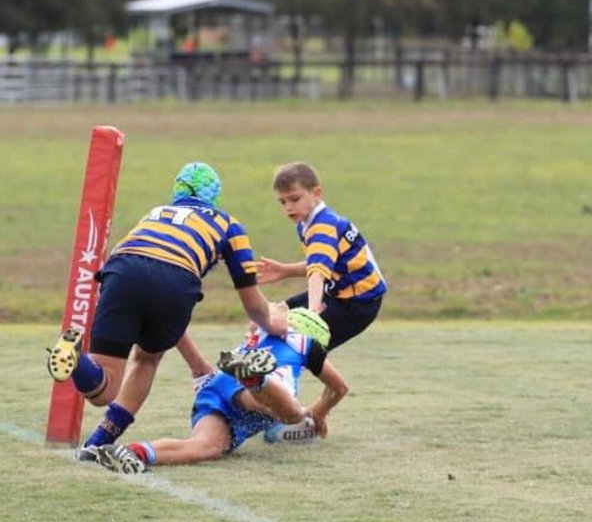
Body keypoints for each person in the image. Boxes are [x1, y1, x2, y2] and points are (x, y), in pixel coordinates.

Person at [46, 162, 288, 460]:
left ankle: (77, 361)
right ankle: (97, 441)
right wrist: (274, 324)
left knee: (103, 388)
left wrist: (197, 364)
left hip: (121, 269)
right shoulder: (228, 224)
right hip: (177, 277)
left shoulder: (156, 213)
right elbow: (253, 304)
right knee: (147, 359)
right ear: (213, 195)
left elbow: (148, 268)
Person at [92, 313, 350, 474]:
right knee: (289, 413)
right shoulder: (307, 344)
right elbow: (339, 388)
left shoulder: (262, 329)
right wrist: (318, 414)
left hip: (219, 385)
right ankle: (256, 379)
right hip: (254, 390)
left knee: (208, 446)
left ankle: (131, 452)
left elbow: (263, 313)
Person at [254, 162, 387, 351]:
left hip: (357, 303)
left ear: (316, 194)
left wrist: (313, 311)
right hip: (339, 292)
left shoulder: (322, 227)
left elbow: (317, 273)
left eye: (294, 199)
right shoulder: (307, 222)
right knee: (274, 316)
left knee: (304, 348)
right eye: (283, 202)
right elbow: (324, 264)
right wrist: (286, 271)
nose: (288, 207)